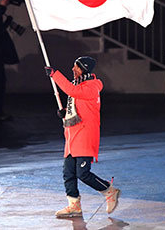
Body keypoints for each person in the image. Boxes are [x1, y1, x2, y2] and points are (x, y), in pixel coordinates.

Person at [44, 56, 120, 218]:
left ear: (85, 69)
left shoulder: (92, 86)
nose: (73, 69)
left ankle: (109, 191)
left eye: (76, 67)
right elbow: (77, 105)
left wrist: (55, 75)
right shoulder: (79, 85)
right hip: (73, 135)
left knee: (83, 173)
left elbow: (73, 91)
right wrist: (65, 114)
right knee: (68, 173)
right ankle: (74, 205)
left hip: (85, 134)